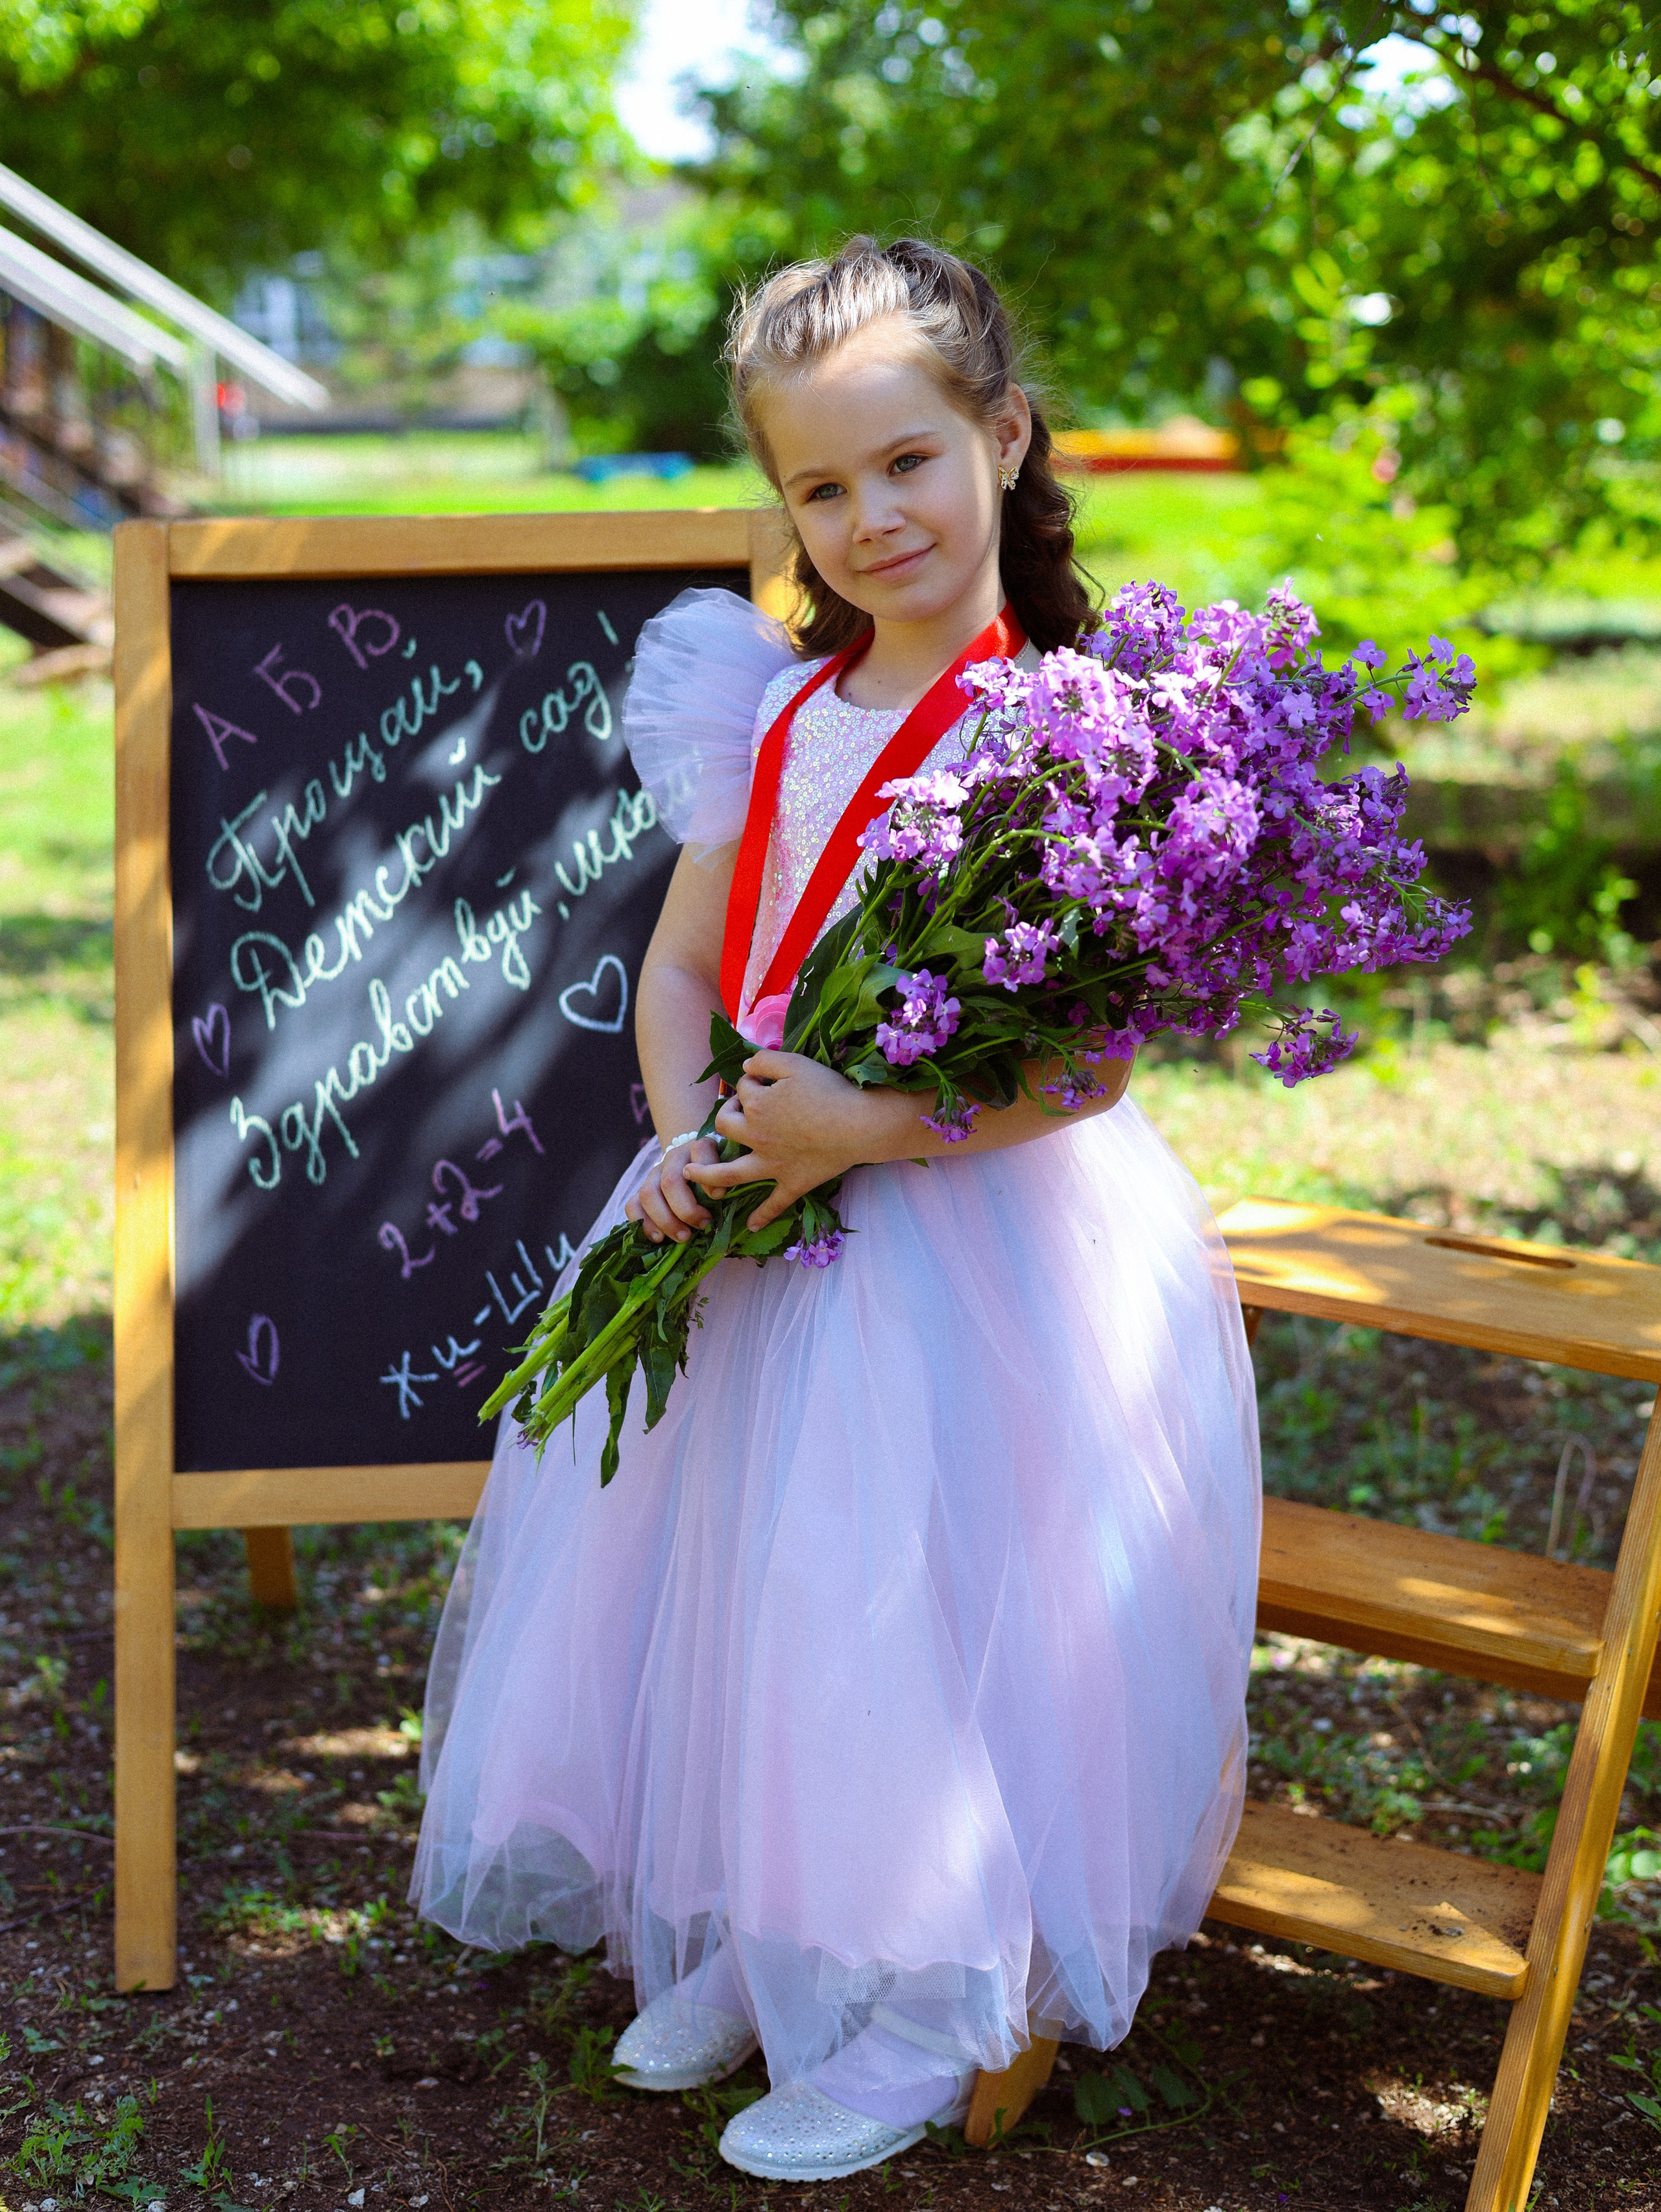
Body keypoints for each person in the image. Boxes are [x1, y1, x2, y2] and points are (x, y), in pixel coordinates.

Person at [410, 237, 1261, 2184]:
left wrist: (866, 1124)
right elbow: (678, 970)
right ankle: (767, 1918)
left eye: (908, 463)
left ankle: (926, 1985)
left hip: (975, 1233)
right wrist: (690, 1139)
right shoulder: (771, 709)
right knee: (749, 1581)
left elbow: (1091, 1065)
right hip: (758, 1206)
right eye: (821, 485)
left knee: (914, 1594)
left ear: (1004, 438)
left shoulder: (1075, 729)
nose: (872, 517)